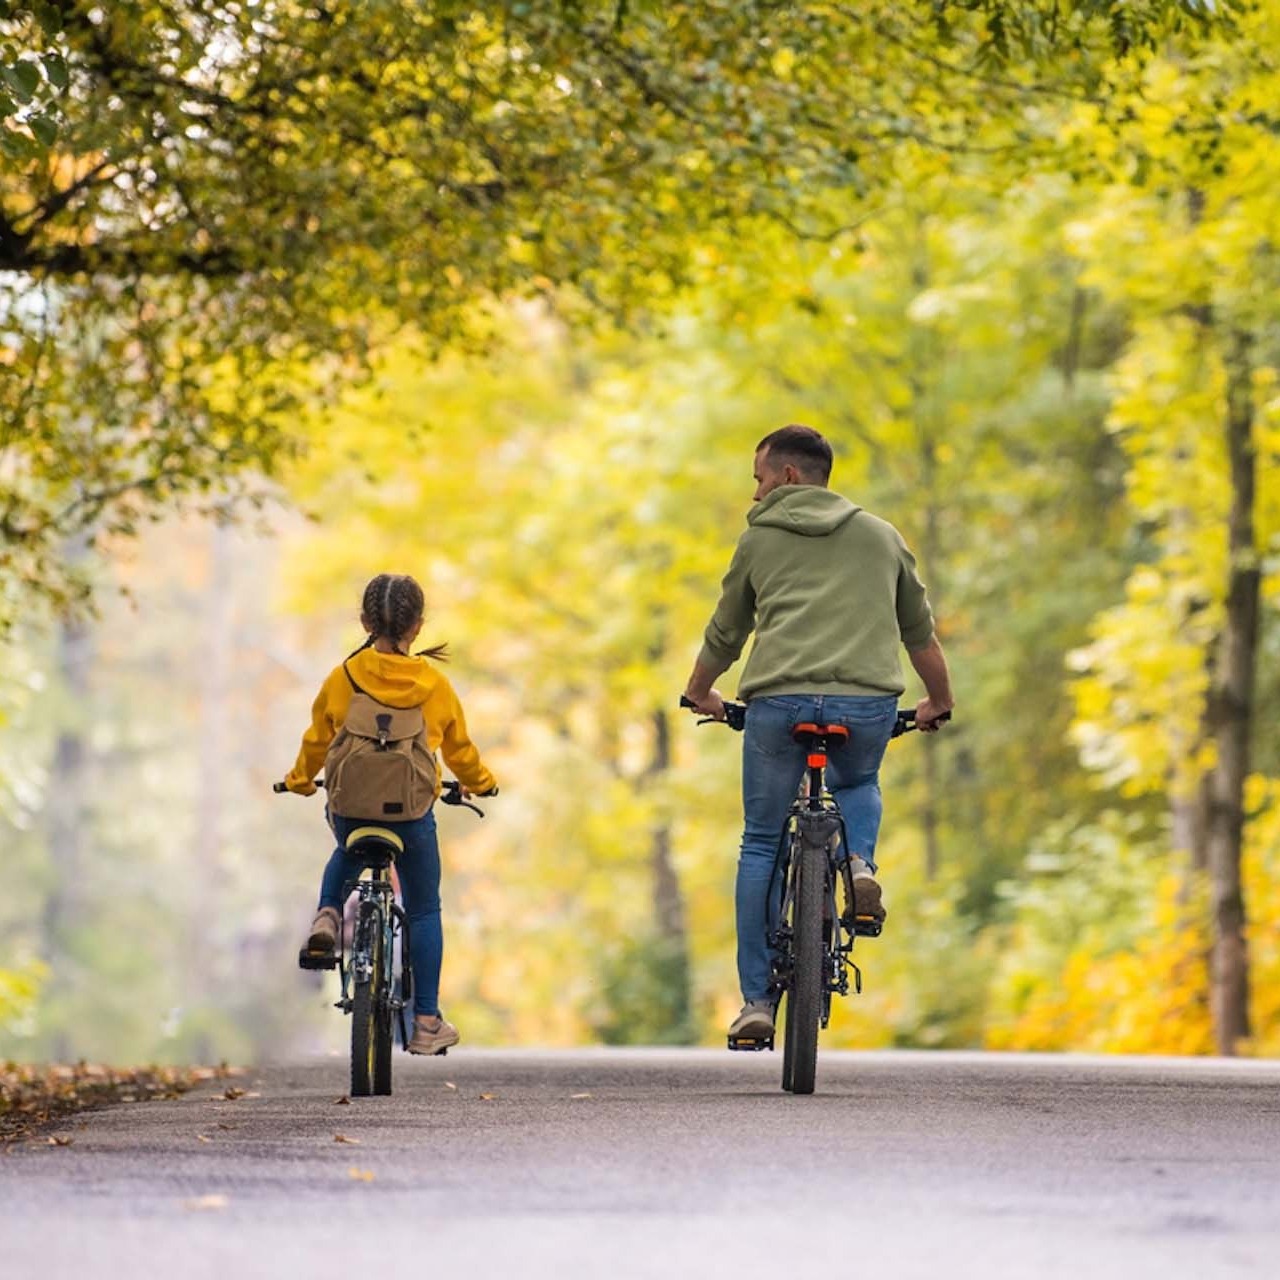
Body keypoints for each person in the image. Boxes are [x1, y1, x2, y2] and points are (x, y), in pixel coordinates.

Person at [683, 425, 953, 1044]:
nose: (753, 497)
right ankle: (859, 862)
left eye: (757, 480)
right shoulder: (882, 537)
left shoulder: (757, 542)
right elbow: (921, 635)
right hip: (867, 705)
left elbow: (726, 632)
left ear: (787, 477)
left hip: (779, 702)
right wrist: (939, 700)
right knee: (858, 777)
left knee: (759, 842)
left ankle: (755, 1000)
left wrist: (701, 691)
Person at [282, 573, 498, 1056]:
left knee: (345, 847)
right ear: (417, 627)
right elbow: (461, 751)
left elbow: (317, 740)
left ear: (364, 621)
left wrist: (299, 779)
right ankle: (425, 1022)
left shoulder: (342, 678)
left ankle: (328, 915)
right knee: (423, 907)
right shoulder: (435, 685)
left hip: (352, 811)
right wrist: (482, 783)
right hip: (412, 815)